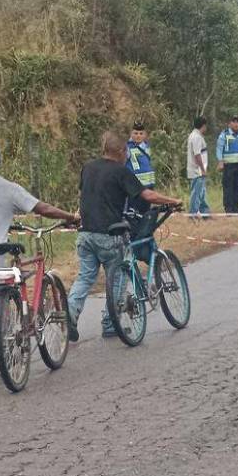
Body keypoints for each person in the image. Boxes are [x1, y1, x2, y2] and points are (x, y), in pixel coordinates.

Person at [0, 140, 78, 388]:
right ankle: (11, 359)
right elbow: (43, 208)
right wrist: (69, 217)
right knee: (2, 316)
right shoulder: (9, 188)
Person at [67, 131, 182, 342]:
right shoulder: (121, 171)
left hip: (84, 234)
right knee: (118, 275)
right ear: (121, 151)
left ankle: (71, 312)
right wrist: (173, 200)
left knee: (85, 277)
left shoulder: (88, 167)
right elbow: (147, 195)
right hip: (109, 234)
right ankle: (111, 322)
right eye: (126, 151)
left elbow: (84, 196)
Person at [216, 114, 238, 214]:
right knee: (228, 187)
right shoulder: (224, 134)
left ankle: (236, 208)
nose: (236, 124)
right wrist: (220, 161)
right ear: (229, 123)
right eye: (233, 121)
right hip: (229, 165)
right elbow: (219, 149)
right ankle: (229, 209)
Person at [186, 116, 210, 218]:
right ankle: (192, 214)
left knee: (202, 193)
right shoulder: (196, 137)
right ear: (203, 126)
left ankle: (205, 213)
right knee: (196, 194)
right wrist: (203, 169)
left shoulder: (196, 136)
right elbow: (197, 155)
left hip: (199, 170)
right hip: (197, 171)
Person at [126, 122, 156, 189]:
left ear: (145, 135)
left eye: (141, 133)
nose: (138, 136)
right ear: (131, 134)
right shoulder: (127, 148)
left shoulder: (147, 146)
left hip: (150, 184)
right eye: (136, 133)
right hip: (136, 185)